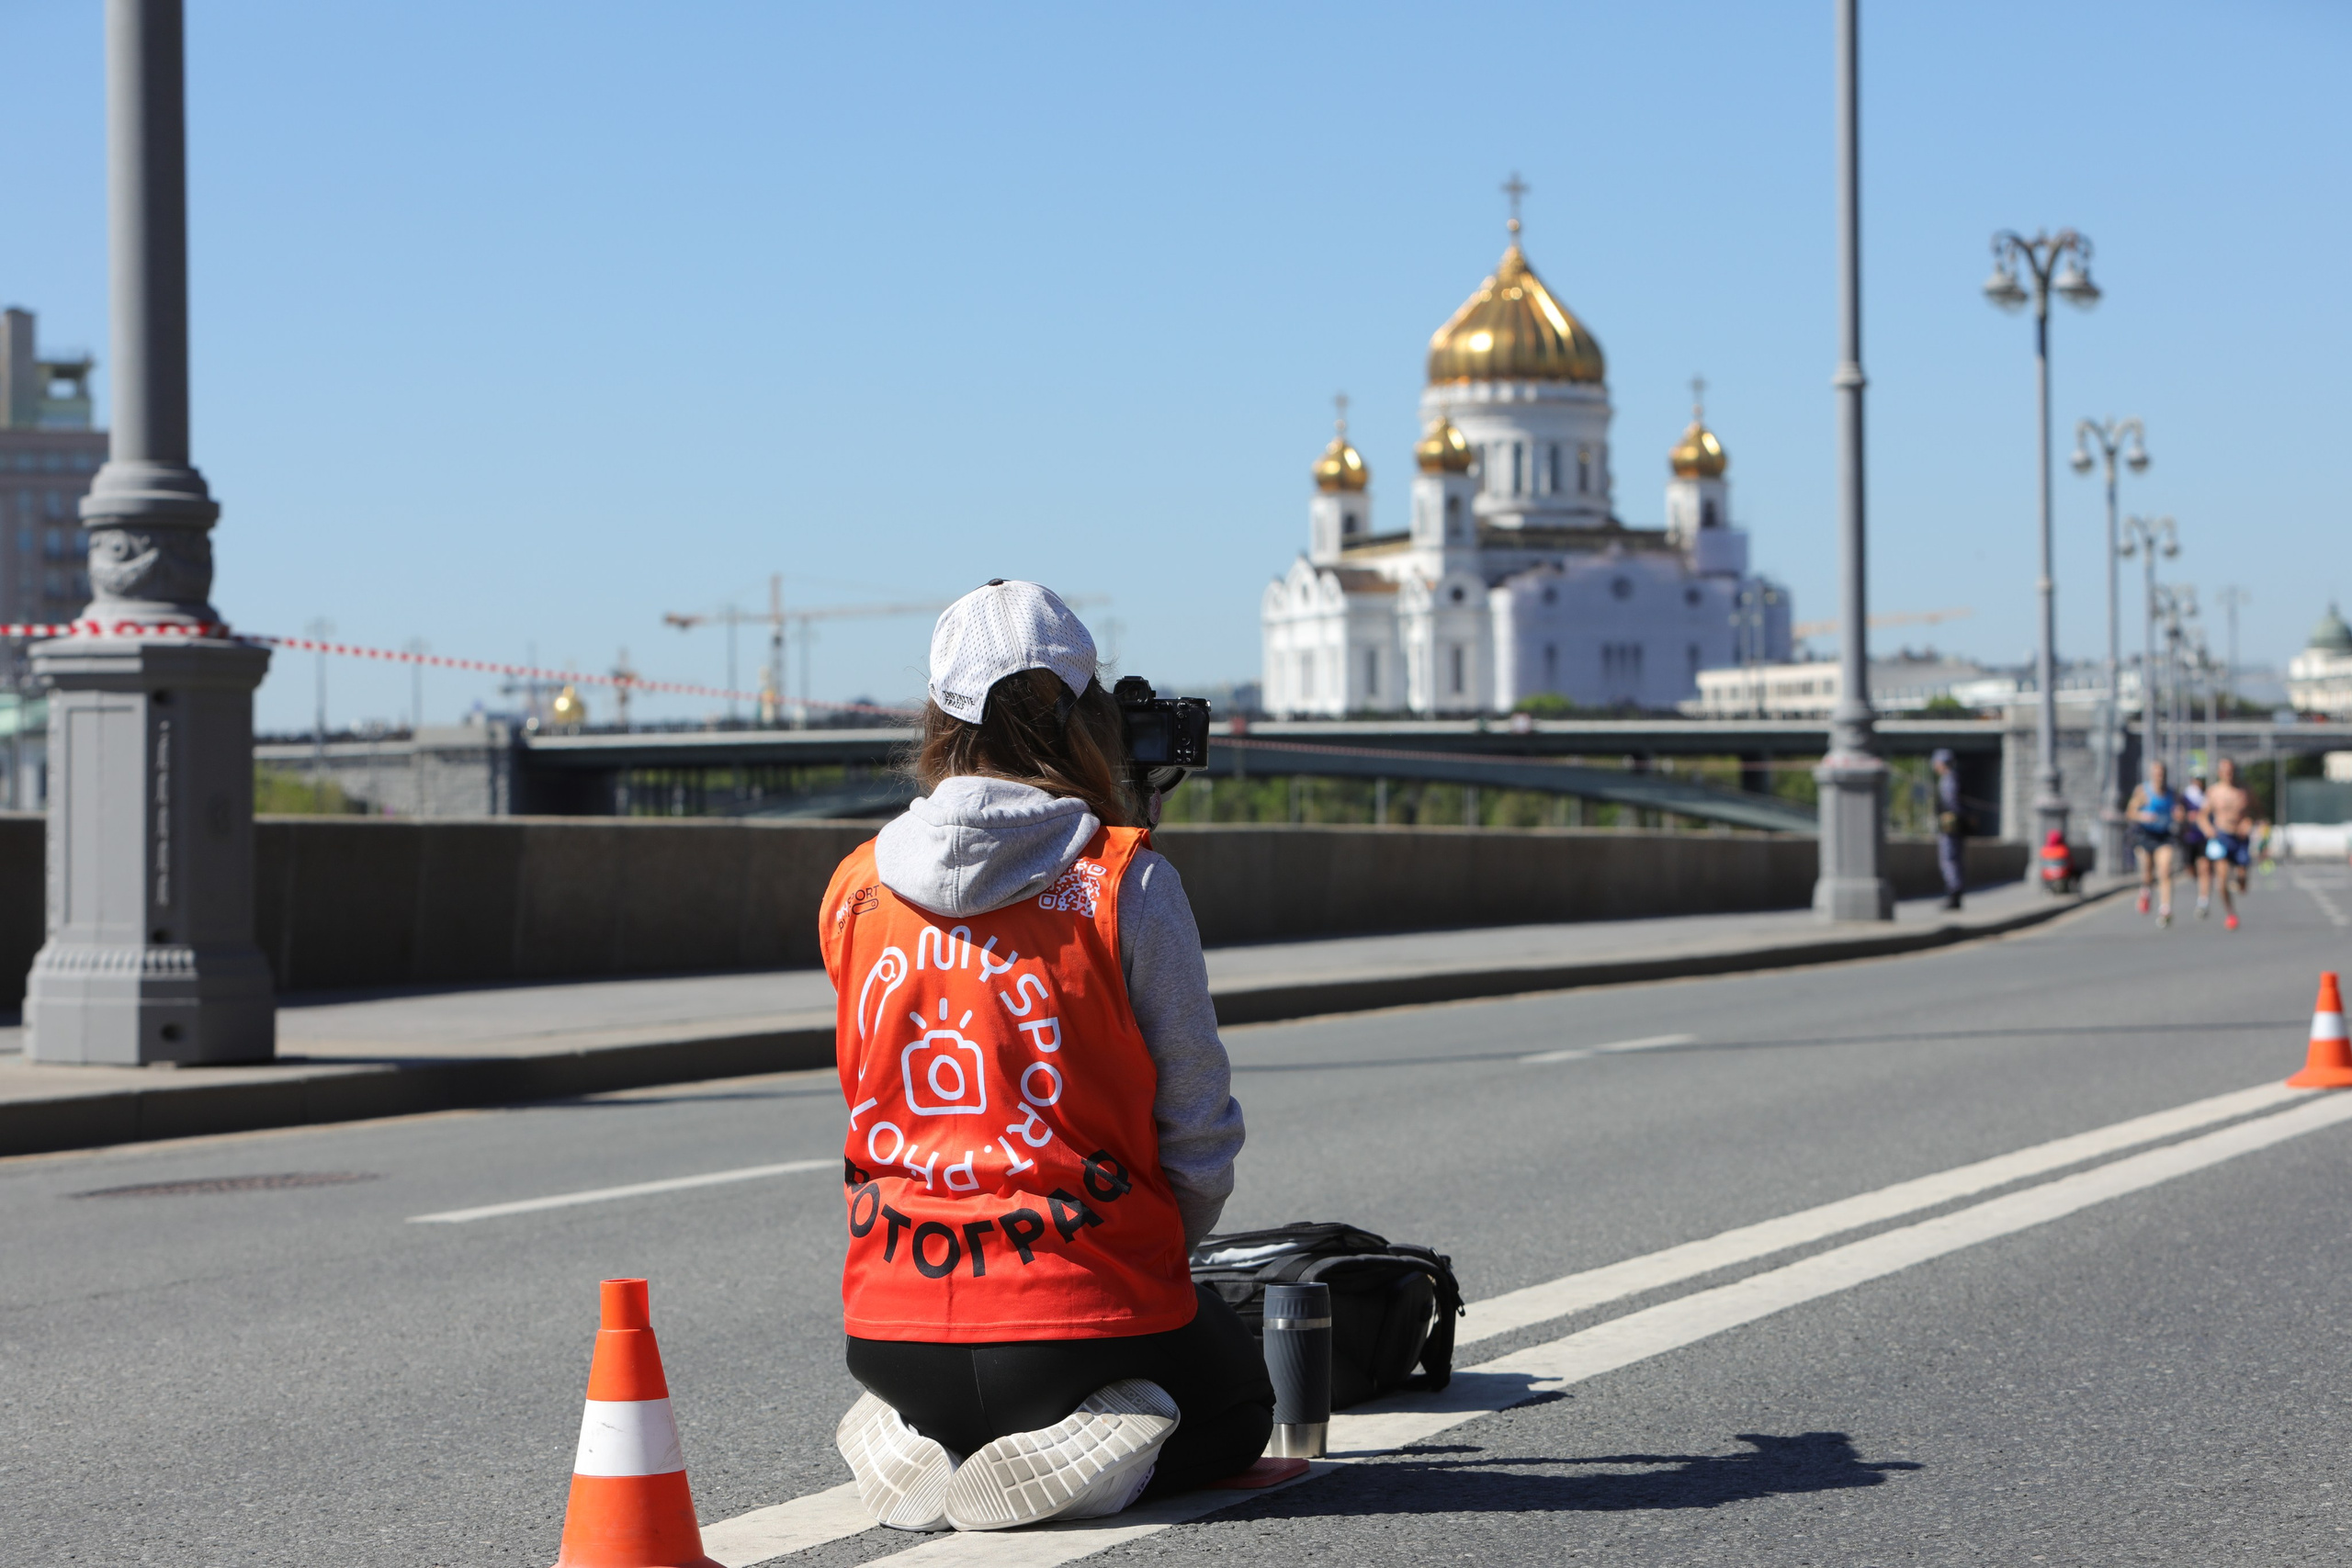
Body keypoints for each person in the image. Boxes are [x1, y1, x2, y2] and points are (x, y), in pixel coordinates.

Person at [820, 580, 1270, 1534]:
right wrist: (1159, 1263)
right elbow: (1198, 1129)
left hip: (890, 1324)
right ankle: (1093, 1450)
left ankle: (914, 1431)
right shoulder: (1124, 882)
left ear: (937, 720)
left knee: (954, 1378)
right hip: (1078, 1314)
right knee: (1235, 1412)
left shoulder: (855, 887)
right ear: (1089, 717)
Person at [2200, 757, 2256, 931]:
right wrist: (2208, 829)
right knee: (2221, 881)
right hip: (2222, 835)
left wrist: (2248, 822)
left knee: (2242, 882)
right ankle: (2230, 913)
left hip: (2239, 838)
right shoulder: (2214, 791)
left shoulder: (2244, 791)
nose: (2228, 774)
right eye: (2224, 771)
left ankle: (2239, 879)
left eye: (2231, 771)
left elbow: (2257, 813)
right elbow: (2201, 816)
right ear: (2220, 773)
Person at [2126, 761, 2182, 926]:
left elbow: (2179, 810)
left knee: (2165, 870)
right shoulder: (2143, 791)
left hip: (2164, 836)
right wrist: (2143, 816)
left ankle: (2165, 909)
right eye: (2156, 773)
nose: (2159, 776)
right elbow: (2130, 812)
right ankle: (2145, 890)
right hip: (2146, 835)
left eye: (2162, 773)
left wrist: (2180, 815)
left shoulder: (2171, 792)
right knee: (2147, 870)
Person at [1931, 749, 1965, 910]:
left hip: (1950, 827)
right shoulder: (1953, 778)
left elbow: (1951, 804)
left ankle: (1954, 895)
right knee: (1952, 860)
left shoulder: (1949, 779)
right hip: (1954, 827)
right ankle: (1954, 894)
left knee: (1949, 860)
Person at [2179, 771, 2211, 918]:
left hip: (2203, 837)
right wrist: (2186, 817)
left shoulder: (2207, 796)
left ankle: (2203, 901)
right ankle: (2200, 883)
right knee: (2190, 869)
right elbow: (2178, 813)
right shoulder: (2185, 797)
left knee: (2204, 868)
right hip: (2189, 837)